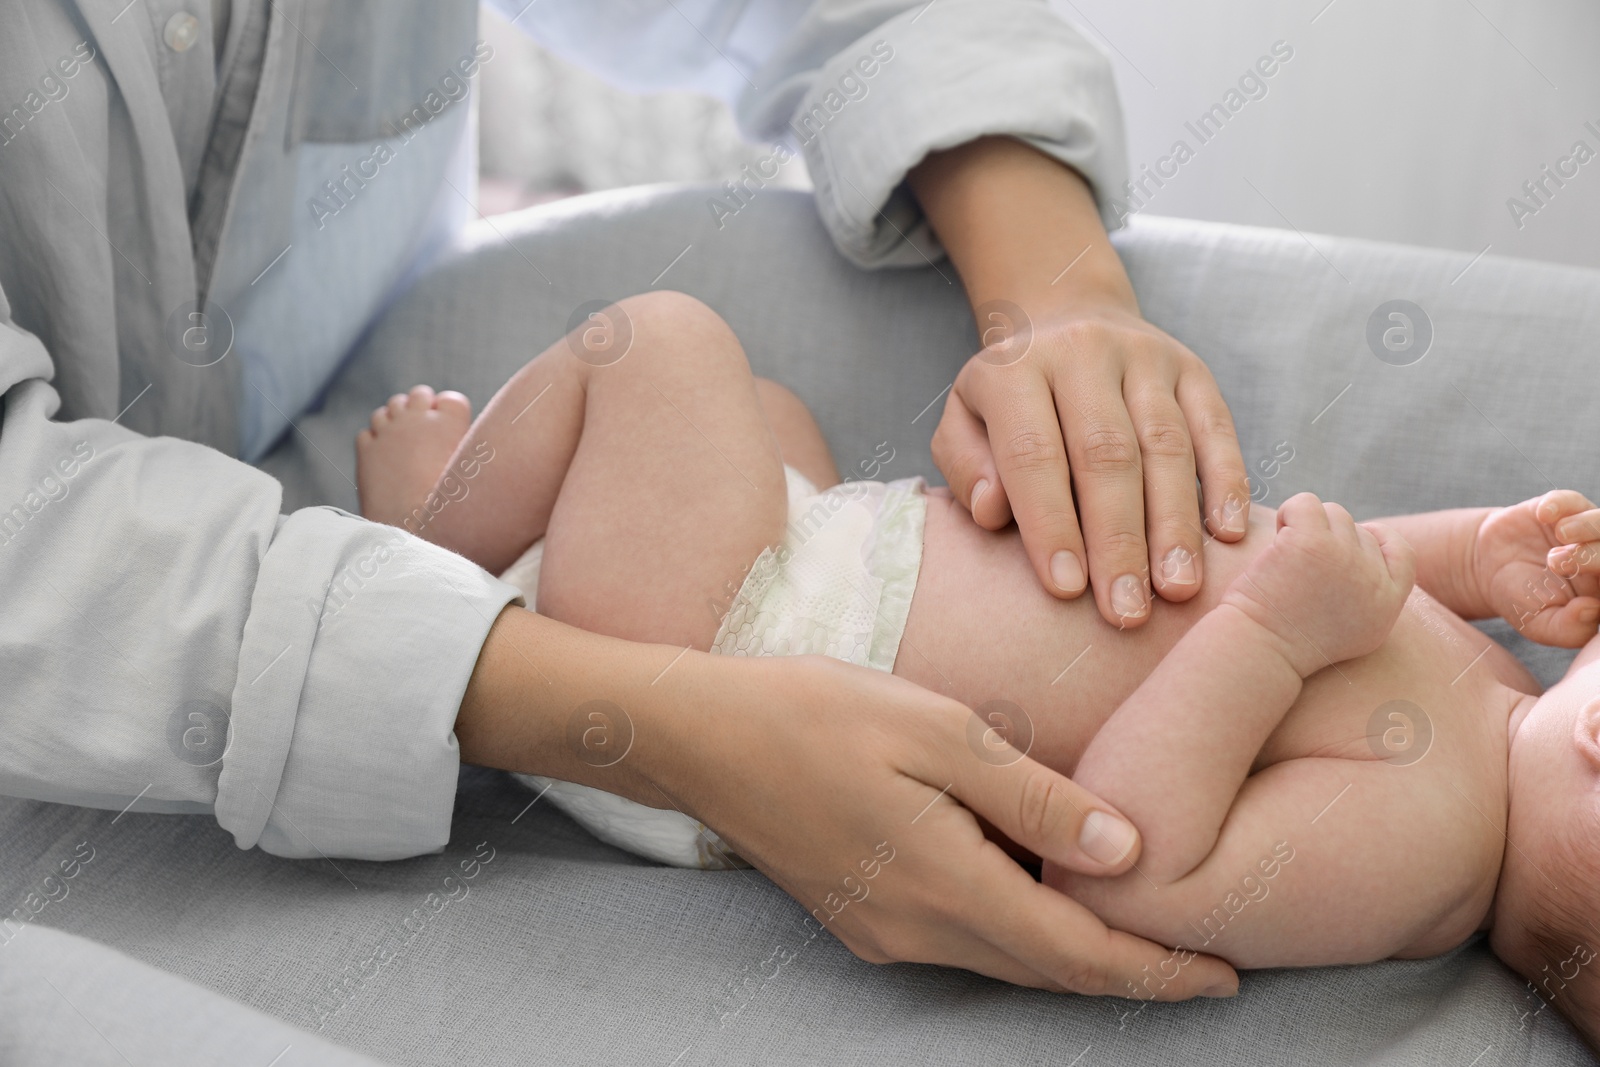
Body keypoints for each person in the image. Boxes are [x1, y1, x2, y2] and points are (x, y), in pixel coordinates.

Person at [0, 0, 1248, 999]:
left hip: (688, 668)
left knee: (685, 356)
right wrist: (673, 726)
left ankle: (448, 538)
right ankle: (436, 541)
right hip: (631, 687)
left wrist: (1061, 295)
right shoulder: (1424, 786)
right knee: (670, 343)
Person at [355, 289, 1600, 1045]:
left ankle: (429, 544)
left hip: (738, 685)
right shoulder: (1493, 704)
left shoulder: (1430, 845)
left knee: (658, 347)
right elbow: (1347, 581)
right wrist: (1469, 559)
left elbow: (1135, 868)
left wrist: (1270, 634)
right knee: (765, 410)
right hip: (815, 564)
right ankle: (511, 550)